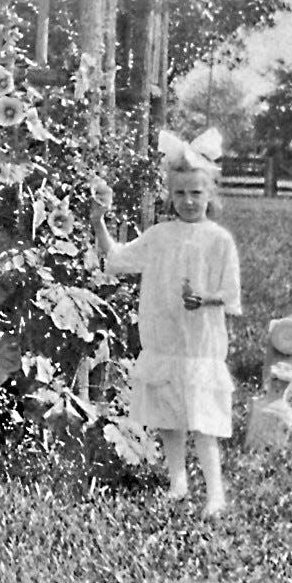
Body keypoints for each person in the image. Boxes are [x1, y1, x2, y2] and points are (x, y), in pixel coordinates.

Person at [90, 129, 242, 517]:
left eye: (196, 193)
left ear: (210, 194)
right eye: (180, 193)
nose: (188, 201)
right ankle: (177, 482)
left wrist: (205, 299)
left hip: (199, 345)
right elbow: (119, 258)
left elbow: (230, 294)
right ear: (169, 195)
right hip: (165, 341)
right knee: (170, 419)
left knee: (203, 422)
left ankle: (215, 494)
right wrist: (99, 223)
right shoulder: (160, 235)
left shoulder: (218, 240)